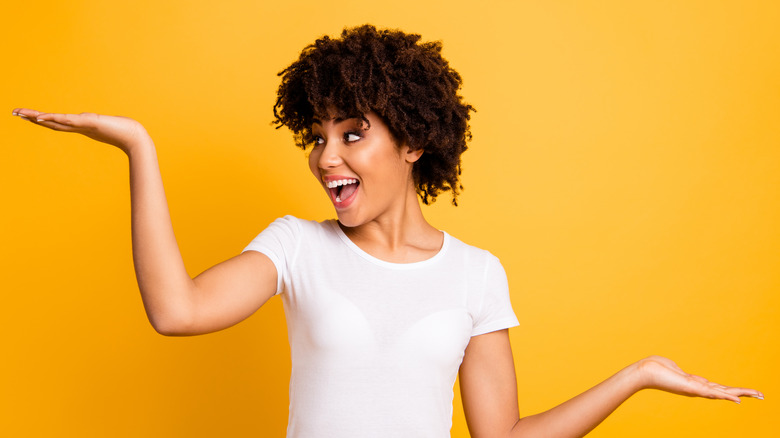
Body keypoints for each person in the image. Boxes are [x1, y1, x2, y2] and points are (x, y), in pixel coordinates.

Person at [12, 24, 762, 438]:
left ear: (412, 143)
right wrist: (139, 147)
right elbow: (176, 312)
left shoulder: (476, 274)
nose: (324, 157)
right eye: (317, 135)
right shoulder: (295, 247)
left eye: (351, 134)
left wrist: (637, 375)